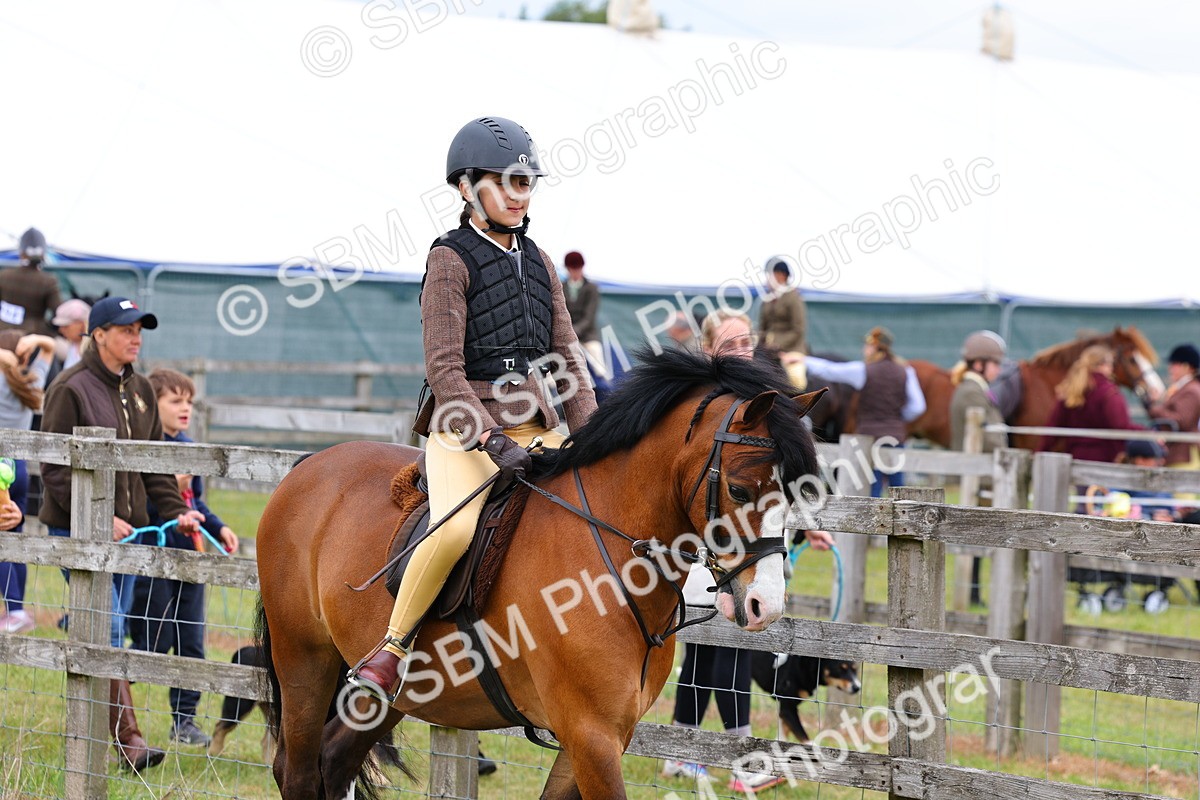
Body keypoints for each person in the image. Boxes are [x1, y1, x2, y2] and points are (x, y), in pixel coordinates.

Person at [347, 116, 598, 699]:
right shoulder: (449, 259)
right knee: (456, 527)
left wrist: (592, 434)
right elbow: (445, 371)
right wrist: (490, 440)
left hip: (539, 426)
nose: (519, 195)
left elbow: (570, 360)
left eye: (526, 184)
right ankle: (392, 645)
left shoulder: (539, 261)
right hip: (465, 429)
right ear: (467, 188)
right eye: (508, 182)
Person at [662, 309, 833, 794]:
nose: (743, 352)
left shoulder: (764, 407)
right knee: (723, 648)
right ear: (709, 348)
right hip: (704, 547)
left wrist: (806, 530)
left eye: (747, 343)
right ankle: (738, 762)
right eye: (731, 344)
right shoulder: (706, 405)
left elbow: (774, 489)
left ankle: (681, 749)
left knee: (711, 651)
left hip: (740, 544)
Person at [39, 296, 205, 772]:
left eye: (140, 330)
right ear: (98, 334)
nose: (136, 337)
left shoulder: (142, 391)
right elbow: (52, 468)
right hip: (79, 530)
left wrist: (177, 513)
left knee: (108, 632)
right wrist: (94, 519)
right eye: (126, 329)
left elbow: (154, 466)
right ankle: (129, 740)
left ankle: (93, 732)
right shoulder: (69, 388)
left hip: (132, 532)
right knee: (108, 628)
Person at [128, 369, 239, 747]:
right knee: (151, 642)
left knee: (191, 640)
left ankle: (185, 720)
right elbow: (139, 504)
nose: (185, 408)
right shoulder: (144, 445)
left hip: (191, 557)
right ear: (151, 404)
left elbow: (198, 501)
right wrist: (171, 487)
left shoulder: (190, 445)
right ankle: (112, 694)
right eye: (175, 401)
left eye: (188, 401)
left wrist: (218, 526)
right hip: (154, 557)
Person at [802, 327, 927, 497]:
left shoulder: (864, 371)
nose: (864, 350)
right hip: (896, 436)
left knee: (872, 489)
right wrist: (897, 418)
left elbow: (830, 370)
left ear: (875, 348)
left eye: (867, 346)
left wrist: (802, 360)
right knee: (899, 488)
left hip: (869, 438)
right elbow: (918, 407)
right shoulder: (906, 371)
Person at [0, 330, 54, 633]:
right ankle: (16, 609)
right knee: (14, 537)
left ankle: (15, 612)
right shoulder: (30, 379)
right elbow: (51, 348)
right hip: (17, 468)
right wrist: (35, 340)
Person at [1038, 344, 1142, 463]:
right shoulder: (1109, 393)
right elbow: (1121, 427)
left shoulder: (1069, 391)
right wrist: (1148, 433)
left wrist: (1038, 455)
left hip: (1074, 461)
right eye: (1111, 364)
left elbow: (1052, 430)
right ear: (1104, 365)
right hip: (1105, 464)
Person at [949, 331, 1008, 453]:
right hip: (972, 468)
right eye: (995, 363)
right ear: (978, 365)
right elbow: (987, 438)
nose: (999, 369)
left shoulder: (976, 389)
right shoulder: (971, 393)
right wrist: (1004, 453)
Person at [1145, 344, 1200, 468]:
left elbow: (1180, 421)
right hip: (1178, 452)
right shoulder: (1184, 389)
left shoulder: (1190, 390)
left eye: (1174, 364)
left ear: (1186, 367)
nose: (1170, 369)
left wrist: (1153, 408)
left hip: (1184, 455)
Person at [0, 228, 62, 336]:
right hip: (32, 338)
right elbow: (59, 312)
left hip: (2, 334)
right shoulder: (48, 281)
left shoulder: (4, 275)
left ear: (21, 253)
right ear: (43, 253)